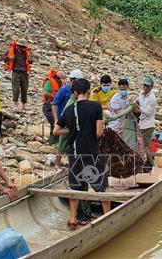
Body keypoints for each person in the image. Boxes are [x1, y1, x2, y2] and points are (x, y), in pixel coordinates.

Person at [53, 78, 108, 228]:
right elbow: (99, 132)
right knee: (101, 187)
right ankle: (108, 217)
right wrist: (88, 132)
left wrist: (71, 131)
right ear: (88, 91)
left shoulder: (69, 109)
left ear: (75, 93)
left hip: (75, 154)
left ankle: (72, 219)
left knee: (75, 187)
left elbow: (56, 131)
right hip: (91, 153)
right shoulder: (95, 106)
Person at [51, 69, 83, 170]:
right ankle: (57, 164)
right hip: (64, 119)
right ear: (72, 80)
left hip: (75, 119)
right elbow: (54, 104)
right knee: (62, 142)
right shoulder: (64, 90)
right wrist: (56, 119)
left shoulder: (79, 90)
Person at [3, 38, 32, 112]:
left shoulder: (26, 52)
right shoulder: (12, 51)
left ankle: (24, 104)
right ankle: (15, 103)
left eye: (24, 47)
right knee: (16, 88)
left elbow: (31, 61)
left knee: (24, 88)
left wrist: (30, 58)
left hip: (24, 72)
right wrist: (9, 58)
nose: (22, 48)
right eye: (21, 46)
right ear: (18, 45)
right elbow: (3, 58)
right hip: (16, 72)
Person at [135, 77, 157, 166]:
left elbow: (148, 112)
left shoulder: (152, 98)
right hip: (141, 124)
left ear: (151, 87)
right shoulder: (141, 94)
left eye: (147, 86)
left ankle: (153, 165)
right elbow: (137, 101)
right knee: (139, 146)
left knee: (144, 147)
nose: (145, 87)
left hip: (148, 125)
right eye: (144, 85)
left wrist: (139, 108)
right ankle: (143, 164)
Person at [42, 69, 66, 145]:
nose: (64, 81)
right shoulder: (49, 82)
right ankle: (53, 142)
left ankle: (54, 141)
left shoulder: (60, 85)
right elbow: (45, 93)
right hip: (48, 106)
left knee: (56, 123)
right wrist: (56, 97)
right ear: (58, 78)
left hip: (55, 106)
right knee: (54, 123)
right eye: (63, 79)